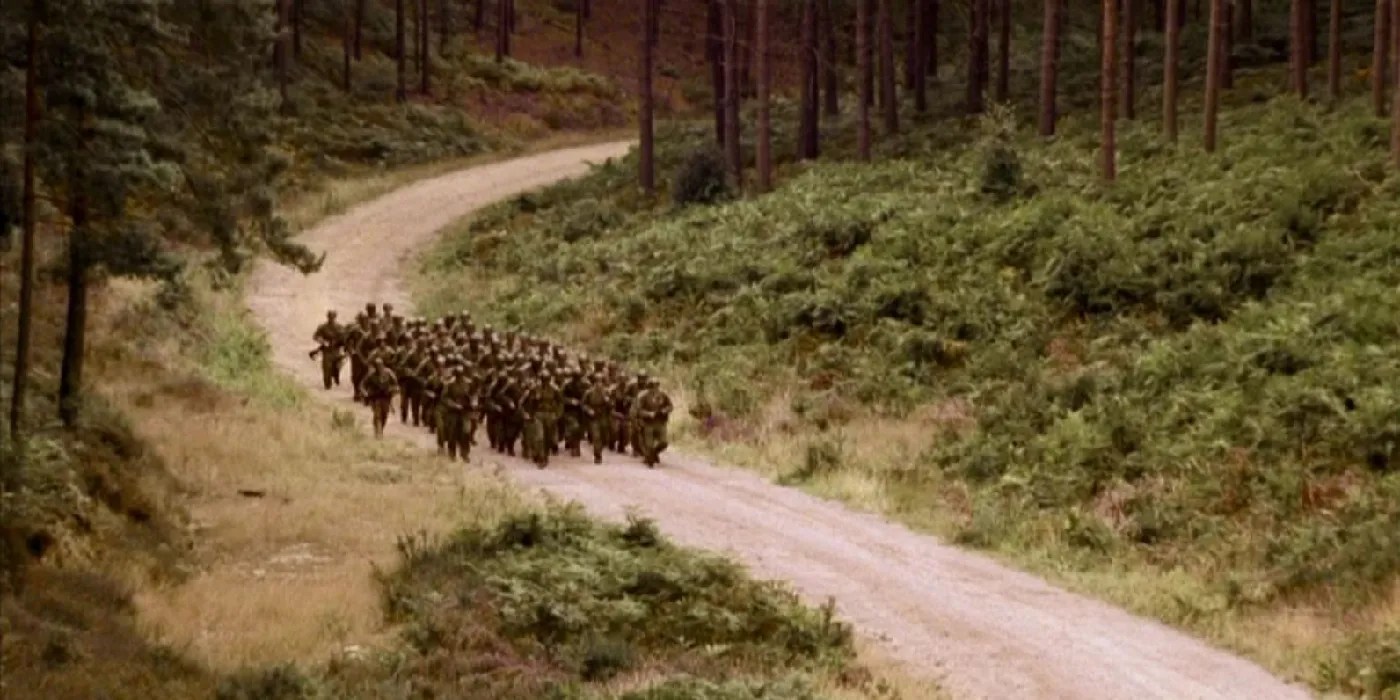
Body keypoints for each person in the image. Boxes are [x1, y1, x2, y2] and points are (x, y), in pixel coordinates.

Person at [633, 377, 672, 468]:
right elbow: (638, 410)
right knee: (649, 445)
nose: (655, 388)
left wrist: (664, 410)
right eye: (652, 386)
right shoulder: (643, 396)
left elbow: (670, 406)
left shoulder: (663, 395)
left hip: (660, 422)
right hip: (648, 423)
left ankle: (653, 453)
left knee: (664, 443)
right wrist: (648, 414)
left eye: (657, 385)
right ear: (649, 387)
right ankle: (650, 459)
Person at [361, 357, 399, 438]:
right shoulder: (371, 374)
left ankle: (379, 429)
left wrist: (393, 390)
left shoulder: (388, 372)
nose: (379, 367)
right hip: (375, 398)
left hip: (386, 397)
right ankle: (378, 433)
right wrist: (365, 394)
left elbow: (395, 384)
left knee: (384, 415)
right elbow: (362, 385)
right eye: (377, 366)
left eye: (380, 365)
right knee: (378, 415)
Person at [309, 310, 343, 390]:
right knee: (326, 369)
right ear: (327, 317)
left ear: (335, 317)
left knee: (337, 367)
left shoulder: (340, 327)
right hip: (327, 351)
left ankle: (335, 376)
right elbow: (315, 336)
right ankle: (327, 385)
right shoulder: (323, 327)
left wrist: (342, 344)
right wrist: (323, 341)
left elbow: (345, 338)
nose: (331, 318)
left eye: (333, 317)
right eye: (330, 317)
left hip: (336, 350)